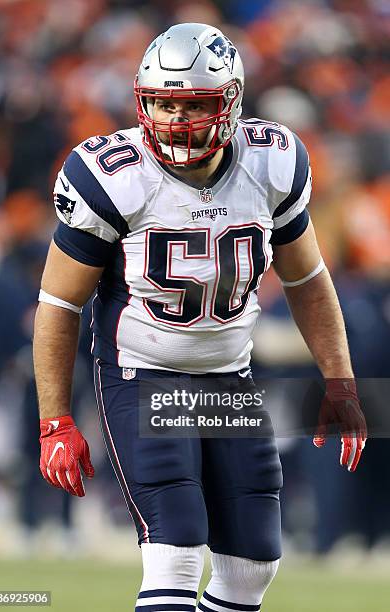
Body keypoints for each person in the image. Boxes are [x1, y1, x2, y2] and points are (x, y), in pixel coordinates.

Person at [34, 23, 367, 612]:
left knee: (253, 565)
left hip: (228, 375)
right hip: (142, 373)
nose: (176, 118)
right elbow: (59, 306)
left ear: (232, 99)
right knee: (177, 547)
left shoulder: (272, 163)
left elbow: (308, 281)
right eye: (163, 102)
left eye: (194, 103)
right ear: (142, 99)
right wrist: (55, 421)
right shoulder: (112, 176)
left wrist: (340, 381)